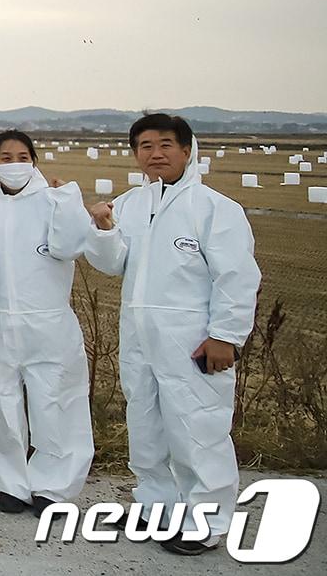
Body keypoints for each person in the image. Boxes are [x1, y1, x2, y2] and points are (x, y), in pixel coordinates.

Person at [83, 113, 260, 556]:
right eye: (145, 146)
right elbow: (113, 264)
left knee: (197, 425)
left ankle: (207, 520)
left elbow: (236, 277)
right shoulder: (129, 204)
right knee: (146, 420)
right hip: (140, 334)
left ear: (187, 150)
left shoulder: (215, 209)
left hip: (192, 337)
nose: (155, 153)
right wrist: (104, 231)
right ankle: (155, 503)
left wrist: (225, 335)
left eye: (165, 144)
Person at [0, 129, 94, 517]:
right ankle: (11, 484)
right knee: (2, 405)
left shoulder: (53, 201)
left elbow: (72, 246)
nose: (15, 165)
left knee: (55, 403)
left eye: (23, 156)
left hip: (49, 323)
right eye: (6, 158)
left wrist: (68, 203)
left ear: (35, 160)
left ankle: (53, 487)